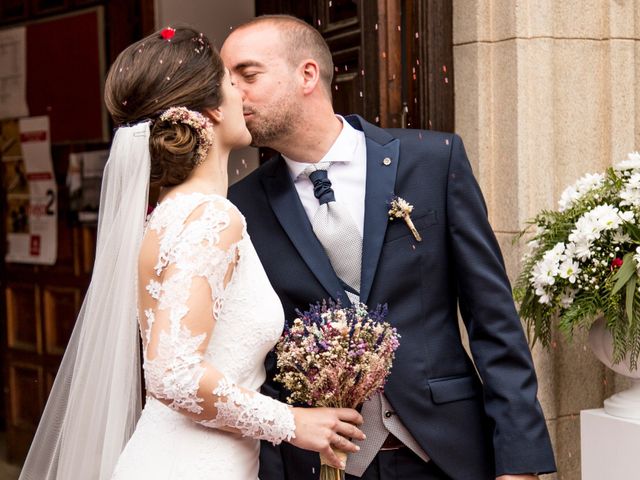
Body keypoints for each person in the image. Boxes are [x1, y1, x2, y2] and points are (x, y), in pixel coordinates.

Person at [18, 26, 365, 480]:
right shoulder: (210, 218)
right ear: (211, 112)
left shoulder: (169, 215)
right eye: (230, 82)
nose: (242, 94)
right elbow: (172, 373)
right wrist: (292, 423)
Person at [222, 14, 557, 480]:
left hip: (445, 451)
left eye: (248, 74)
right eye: (228, 79)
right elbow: (258, 356)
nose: (232, 92)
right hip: (325, 463)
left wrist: (520, 462)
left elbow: (493, 319)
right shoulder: (240, 206)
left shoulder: (433, 160)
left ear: (307, 75)